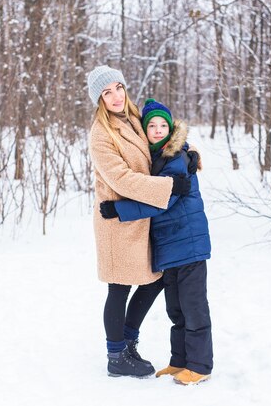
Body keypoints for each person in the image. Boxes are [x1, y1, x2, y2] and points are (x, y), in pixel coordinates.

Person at [86, 66, 193, 378]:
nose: (116, 96)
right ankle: (116, 354)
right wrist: (168, 187)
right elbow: (120, 179)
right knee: (119, 286)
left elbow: (165, 135)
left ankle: (128, 340)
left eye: (118, 87)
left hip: (143, 214)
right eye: (107, 92)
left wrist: (188, 155)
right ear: (100, 99)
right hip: (117, 218)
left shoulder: (134, 117)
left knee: (155, 277)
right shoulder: (101, 134)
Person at [99, 98, 213, 385]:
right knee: (176, 309)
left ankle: (199, 365)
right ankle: (179, 361)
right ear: (144, 131)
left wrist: (120, 210)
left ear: (172, 128)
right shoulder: (157, 157)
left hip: (187, 243)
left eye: (164, 125)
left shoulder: (175, 157)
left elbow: (163, 200)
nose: (159, 130)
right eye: (152, 126)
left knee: (193, 308)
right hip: (170, 246)